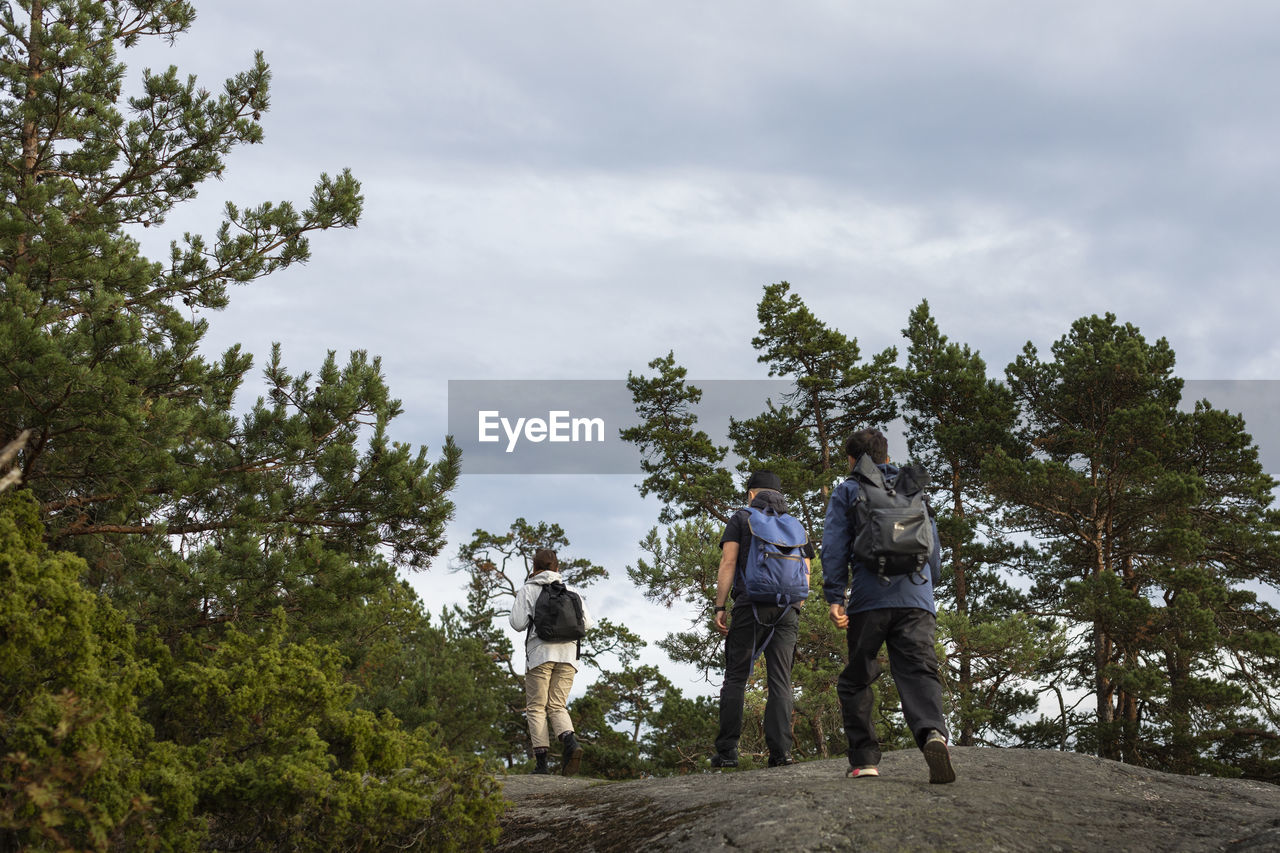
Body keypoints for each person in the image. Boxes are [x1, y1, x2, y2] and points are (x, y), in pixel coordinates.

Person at [821, 428, 956, 783]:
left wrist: (835, 597)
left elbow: (834, 547)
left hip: (869, 597)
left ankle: (865, 759)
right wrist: (927, 587)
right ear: (887, 457)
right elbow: (934, 549)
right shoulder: (914, 487)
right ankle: (932, 733)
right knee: (918, 670)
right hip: (917, 595)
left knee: (858, 676)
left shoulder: (850, 489)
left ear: (853, 461)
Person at [710, 471, 814, 768]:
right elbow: (806, 570)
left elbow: (728, 562)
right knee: (781, 682)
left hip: (750, 607)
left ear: (752, 494)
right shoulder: (795, 525)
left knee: (736, 678)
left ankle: (728, 753)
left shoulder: (742, 519)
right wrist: (797, 604)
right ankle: (781, 754)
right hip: (786, 610)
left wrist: (720, 606)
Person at [509, 548, 594, 776]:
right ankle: (571, 743)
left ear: (534, 568)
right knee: (557, 705)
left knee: (536, 707)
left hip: (540, 655)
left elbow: (517, 623)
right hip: (568, 656)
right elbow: (587, 624)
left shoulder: (529, 589)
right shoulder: (571, 590)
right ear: (558, 568)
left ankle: (542, 764)